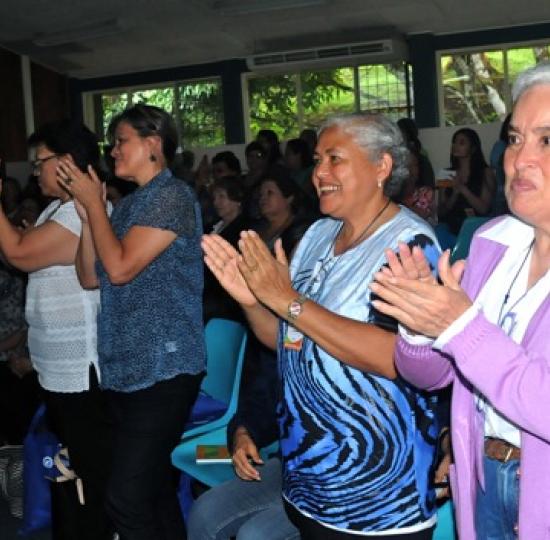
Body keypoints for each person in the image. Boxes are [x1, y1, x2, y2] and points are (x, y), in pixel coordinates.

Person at [203, 113, 441, 539]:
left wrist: (285, 299)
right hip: (310, 479)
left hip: (375, 495)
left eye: (335, 159)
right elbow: (286, 339)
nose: (319, 173)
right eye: (317, 160)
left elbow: (395, 357)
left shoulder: (408, 245)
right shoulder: (316, 235)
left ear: (381, 167)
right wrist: (252, 302)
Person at [369, 62, 550, 539]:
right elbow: (435, 373)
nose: (519, 159)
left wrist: (460, 324)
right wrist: (421, 322)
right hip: (483, 476)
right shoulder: (494, 241)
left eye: (546, 141)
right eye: (514, 138)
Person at [57, 104, 206, 540]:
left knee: (125, 497)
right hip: (126, 370)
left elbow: (120, 269)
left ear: (153, 143)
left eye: (121, 141)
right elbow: (90, 276)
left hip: (164, 366)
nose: (113, 150)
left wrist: (95, 207)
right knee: (153, 491)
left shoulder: (172, 196)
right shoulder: (128, 206)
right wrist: (89, 216)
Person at [0, 120, 113, 540]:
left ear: (67, 163)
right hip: (59, 363)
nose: (34, 172)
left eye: (40, 162)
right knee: (75, 464)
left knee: (90, 470)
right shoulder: (57, 210)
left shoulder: (78, 215)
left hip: (81, 366)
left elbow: (18, 254)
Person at [203, 176, 250, 322]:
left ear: (237, 200)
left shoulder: (243, 231)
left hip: (222, 295)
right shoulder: (213, 226)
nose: (216, 202)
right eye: (215, 197)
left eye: (222, 197)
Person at [438, 128, 496, 234]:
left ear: (473, 148)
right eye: (454, 142)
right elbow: (441, 212)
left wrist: (462, 188)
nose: (455, 146)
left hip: (477, 228)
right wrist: (454, 194)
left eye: (461, 143)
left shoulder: (485, 172)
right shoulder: (445, 173)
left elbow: (484, 209)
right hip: (451, 227)